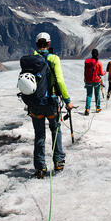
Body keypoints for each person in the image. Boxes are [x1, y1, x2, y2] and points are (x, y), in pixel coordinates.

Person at [30, 32, 73, 178]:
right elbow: (60, 81)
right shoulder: (53, 58)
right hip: (51, 103)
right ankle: (58, 161)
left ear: (36, 44)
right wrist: (67, 101)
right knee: (56, 131)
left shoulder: (31, 59)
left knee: (39, 135)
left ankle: (40, 167)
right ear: (48, 44)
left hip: (34, 103)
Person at [83, 48, 104, 115]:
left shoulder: (87, 61)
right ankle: (97, 108)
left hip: (88, 81)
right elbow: (101, 73)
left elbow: (85, 71)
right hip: (96, 81)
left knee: (89, 95)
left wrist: (85, 79)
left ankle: (87, 109)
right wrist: (105, 72)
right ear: (97, 54)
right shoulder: (99, 63)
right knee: (97, 94)